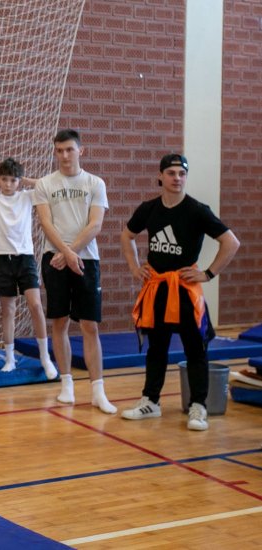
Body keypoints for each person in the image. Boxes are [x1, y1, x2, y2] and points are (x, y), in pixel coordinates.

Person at [120, 154, 239, 431]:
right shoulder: (148, 208)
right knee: (156, 348)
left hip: (185, 290)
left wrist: (208, 273)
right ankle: (150, 401)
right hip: (158, 289)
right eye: (171, 173)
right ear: (160, 176)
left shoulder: (197, 210)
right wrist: (135, 267)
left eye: (182, 174)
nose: (177, 178)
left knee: (195, 349)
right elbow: (126, 235)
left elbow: (231, 242)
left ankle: (198, 407)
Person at [32, 129, 116, 414]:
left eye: (69, 149)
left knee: (90, 324)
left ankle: (97, 390)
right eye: (59, 150)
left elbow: (95, 225)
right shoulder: (44, 184)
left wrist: (71, 252)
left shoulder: (95, 183)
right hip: (53, 258)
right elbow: (46, 223)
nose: (64, 155)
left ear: (81, 151)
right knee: (60, 321)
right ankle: (66, 384)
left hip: (85, 260)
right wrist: (64, 253)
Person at [0, 158, 58, 379]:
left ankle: (45, 357)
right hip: (0, 259)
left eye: (12, 180)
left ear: (19, 181)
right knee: (8, 310)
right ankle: (9, 358)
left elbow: (48, 184)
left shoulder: (27, 197)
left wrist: (23, 179)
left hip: (24, 258)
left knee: (35, 305)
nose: (8, 184)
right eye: (4, 180)